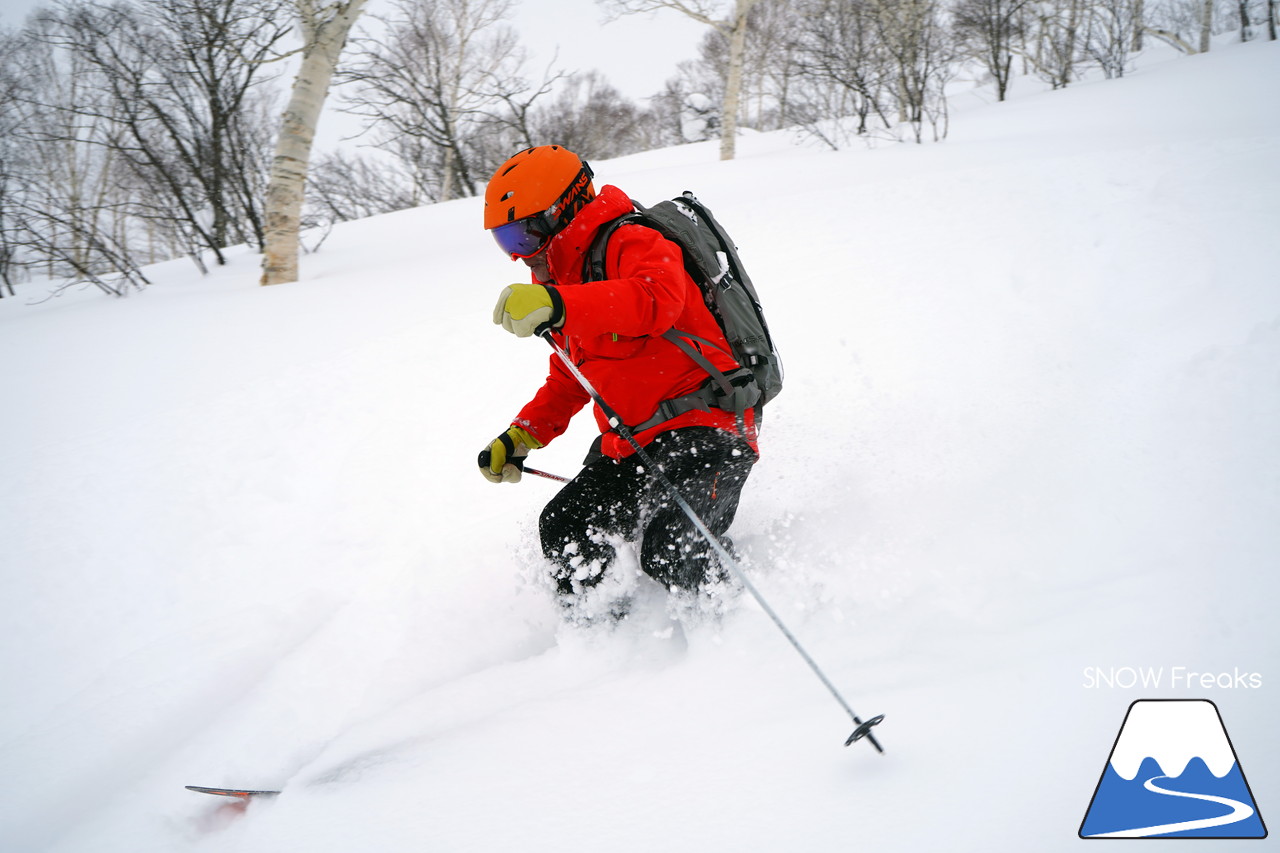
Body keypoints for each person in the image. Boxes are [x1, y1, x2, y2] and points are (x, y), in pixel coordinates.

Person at [478, 144, 758, 614]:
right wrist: (521, 435)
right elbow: (569, 378)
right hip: (633, 445)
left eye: (521, 236)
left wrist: (561, 307)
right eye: (504, 241)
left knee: (670, 545)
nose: (517, 255)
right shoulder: (568, 281)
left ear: (561, 211)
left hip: (707, 430)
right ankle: (598, 645)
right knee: (565, 527)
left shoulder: (633, 241)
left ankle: (731, 628)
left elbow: (656, 298)